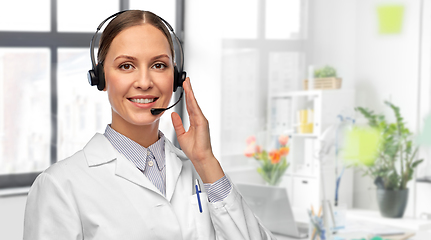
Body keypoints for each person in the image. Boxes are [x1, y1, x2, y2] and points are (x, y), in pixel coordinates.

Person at [23, 10, 275, 240]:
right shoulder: (60, 185)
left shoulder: (202, 171)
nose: (144, 82)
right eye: (126, 66)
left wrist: (206, 161)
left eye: (158, 65)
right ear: (100, 77)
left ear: (176, 78)